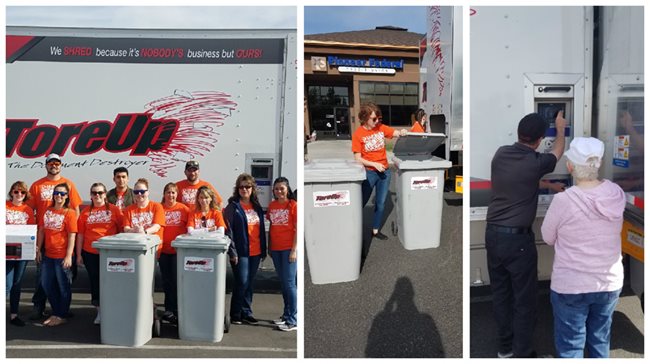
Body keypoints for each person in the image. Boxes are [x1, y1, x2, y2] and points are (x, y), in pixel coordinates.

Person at [485, 111, 566, 358]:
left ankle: (505, 349)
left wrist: (549, 185)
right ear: (540, 139)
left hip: (493, 236)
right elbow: (558, 152)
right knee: (524, 300)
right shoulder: (537, 162)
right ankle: (523, 355)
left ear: (519, 133)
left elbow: (522, 178)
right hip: (517, 243)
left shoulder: (501, 154)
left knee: (501, 295)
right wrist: (561, 129)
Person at [541, 137, 625, 358]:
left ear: (570, 166)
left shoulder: (564, 201)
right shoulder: (616, 194)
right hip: (609, 283)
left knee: (571, 345)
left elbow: (547, 237)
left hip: (571, 286)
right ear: (599, 163)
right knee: (600, 339)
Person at [27, 153, 82, 320]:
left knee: (63, 279)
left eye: (57, 163)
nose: (54, 165)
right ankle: (39, 306)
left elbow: (76, 210)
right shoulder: (37, 185)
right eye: (50, 163)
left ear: (61, 165)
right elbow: (28, 209)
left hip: (63, 240)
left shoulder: (69, 185)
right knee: (42, 277)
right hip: (44, 237)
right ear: (46, 165)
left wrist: (70, 232)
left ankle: (60, 310)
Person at [352, 102, 407, 240]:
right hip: (369, 173)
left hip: (385, 173)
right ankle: (353, 228)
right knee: (361, 202)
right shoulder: (358, 134)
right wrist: (374, 164)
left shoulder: (380, 128)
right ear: (365, 118)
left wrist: (402, 132)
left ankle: (375, 230)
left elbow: (395, 133)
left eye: (378, 118)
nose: (377, 122)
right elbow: (358, 158)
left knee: (381, 204)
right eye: (374, 119)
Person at [76, 182, 123, 325]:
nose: (97, 196)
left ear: (105, 195)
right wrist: (78, 255)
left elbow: (122, 231)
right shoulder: (85, 213)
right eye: (94, 193)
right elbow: (80, 235)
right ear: (90, 195)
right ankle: (100, 311)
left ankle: (114, 309)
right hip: (90, 253)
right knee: (95, 282)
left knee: (112, 282)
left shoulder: (115, 210)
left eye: (100, 193)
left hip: (110, 253)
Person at [223, 173, 267, 325]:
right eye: (241, 187)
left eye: (247, 186)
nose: (244, 189)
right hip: (240, 252)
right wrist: (232, 252)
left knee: (249, 282)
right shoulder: (233, 207)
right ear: (237, 189)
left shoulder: (256, 207)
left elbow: (260, 230)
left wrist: (263, 250)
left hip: (255, 251)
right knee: (241, 281)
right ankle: (235, 313)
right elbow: (228, 231)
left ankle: (247, 312)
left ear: (252, 188)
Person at [36, 183, 77, 327]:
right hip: (48, 255)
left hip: (62, 256)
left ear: (67, 197)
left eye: (63, 194)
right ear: (53, 195)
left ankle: (61, 315)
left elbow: (72, 236)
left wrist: (68, 256)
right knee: (46, 284)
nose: (59, 196)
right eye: (57, 193)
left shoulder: (70, 213)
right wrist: (38, 249)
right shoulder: (48, 211)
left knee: (63, 286)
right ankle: (56, 312)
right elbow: (41, 230)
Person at [266, 177, 298, 332]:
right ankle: (286, 315)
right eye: (276, 189)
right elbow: (272, 226)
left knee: (290, 284)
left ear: (287, 189)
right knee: (284, 284)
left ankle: (293, 319)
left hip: (288, 249)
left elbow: (298, 229)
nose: (279, 191)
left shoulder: (293, 205)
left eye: (282, 188)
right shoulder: (272, 206)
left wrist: (294, 250)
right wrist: (270, 247)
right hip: (276, 249)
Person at [159, 182, 190, 324]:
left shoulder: (184, 209)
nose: (170, 195)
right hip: (164, 250)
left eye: (173, 192)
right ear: (164, 194)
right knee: (167, 281)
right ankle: (169, 310)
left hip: (179, 251)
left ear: (176, 194)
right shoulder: (159, 209)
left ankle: (179, 310)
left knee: (178, 281)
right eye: (168, 192)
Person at [6, 181, 36, 326]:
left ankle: (14, 315)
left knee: (17, 284)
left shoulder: (28, 210)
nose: (19, 194)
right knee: (6, 284)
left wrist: (34, 247)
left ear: (25, 195)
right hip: (5, 251)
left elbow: (31, 232)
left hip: (22, 251)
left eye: (22, 192)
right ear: (11, 192)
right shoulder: (4, 206)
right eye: (16, 191)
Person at [122, 179, 165, 252]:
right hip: (134, 248)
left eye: (142, 191)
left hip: (152, 249)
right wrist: (134, 230)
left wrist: (144, 232)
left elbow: (156, 227)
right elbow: (126, 228)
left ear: (148, 192)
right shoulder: (128, 210)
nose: (139, 194)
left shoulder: (157, 206)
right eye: (136, 192)